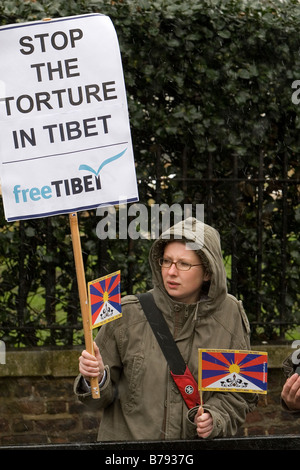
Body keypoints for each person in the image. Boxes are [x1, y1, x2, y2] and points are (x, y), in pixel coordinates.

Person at [74, 217, 257, 441]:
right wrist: (96, 377)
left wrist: (215, 417)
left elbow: (240, 394)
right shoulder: (126, 314)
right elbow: (96, 399)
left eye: (183, 264)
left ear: (208, 271)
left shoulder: (230, 314)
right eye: (166, 261)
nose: (171, 272)